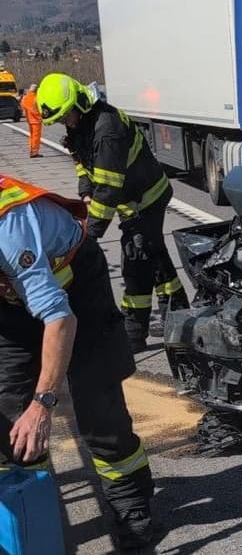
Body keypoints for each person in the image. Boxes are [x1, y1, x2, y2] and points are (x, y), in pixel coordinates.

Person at [0, 174, 154, 550]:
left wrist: (44, 403)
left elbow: (60, 319)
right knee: (9, 410)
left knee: (98, 408)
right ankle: (32, 518)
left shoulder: (9, 226)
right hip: (10, 299)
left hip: (75, 290)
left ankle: (132, 511)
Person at [36, 73, 189, 352]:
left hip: (146, 199)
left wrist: (88, 237)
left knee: (136, 261)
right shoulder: (81, 124)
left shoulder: (107, 130)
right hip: (132, 199)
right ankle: (178, 314)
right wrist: (85, 191)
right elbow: (82, 162)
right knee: (154, 253)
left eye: (66, 116)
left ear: (80, 103)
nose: (65, 122)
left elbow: (108, 190)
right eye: (60, 120)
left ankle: (133, 333)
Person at [21, 84, 43, 158]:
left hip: (29, 120)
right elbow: (36, 110)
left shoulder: (25, 98)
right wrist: (40, 117)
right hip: (36, 120)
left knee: (32, 136)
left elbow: (23, 107)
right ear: (36, 90)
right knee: (36, 137)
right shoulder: (36, 98)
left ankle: (32, 150)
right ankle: (34, 152)